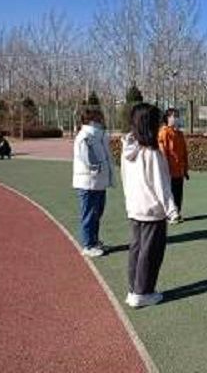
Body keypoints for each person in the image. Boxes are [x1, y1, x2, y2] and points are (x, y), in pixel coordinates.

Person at [122, 103, 181, 309]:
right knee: (151, 253)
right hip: (152, 211)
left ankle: (134, 289)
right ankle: (143, 292)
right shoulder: (152, 153)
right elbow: (161, 185)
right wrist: (172, 211)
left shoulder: (129, 149)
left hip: (135, 208)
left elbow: (125, 179)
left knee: (137, 250)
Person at [72, 107, 115, 258]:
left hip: (98, 182)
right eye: (99, 118)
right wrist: (99, 167)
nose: (102, 120)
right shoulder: (85, 137)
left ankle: (94, 241)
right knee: (89, 214)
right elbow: (89, 160)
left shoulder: (98, 136)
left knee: (97, 213)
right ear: (91, 121)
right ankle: (88, 245)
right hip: (88, 183)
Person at [158, 108, 189, 223]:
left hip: (179, 170)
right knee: (169, 193)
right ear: (168, 118)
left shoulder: (179, 134)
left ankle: (177, 213)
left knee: (178, 193)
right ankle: (169, 214)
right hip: (169, 171)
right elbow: (163, 152)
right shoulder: (164, 132)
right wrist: (164, 169)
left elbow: (184, 153)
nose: (176, 118)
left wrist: (185, 169)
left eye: (177, 116)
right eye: (174, 116)